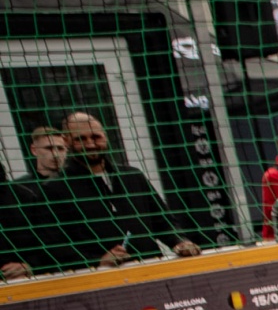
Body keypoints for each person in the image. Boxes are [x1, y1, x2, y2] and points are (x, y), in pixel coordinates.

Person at [48, 112, 202, 272]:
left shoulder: (132, 176)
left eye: (96, 137)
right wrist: (97, 261)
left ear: (105, 136)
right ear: (66, 141)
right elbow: (55, 245)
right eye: (81, 139)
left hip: (152, 270)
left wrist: (180, 242)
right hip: (99, 278)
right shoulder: (54, 188)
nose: (91, 144)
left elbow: (163, 221)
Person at [1, 124, 68, 279]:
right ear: (34, 150)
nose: (56, 154)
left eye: (60, 148)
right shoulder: (20, 192)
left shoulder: (78, 185)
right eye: (49, 148)